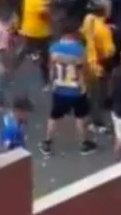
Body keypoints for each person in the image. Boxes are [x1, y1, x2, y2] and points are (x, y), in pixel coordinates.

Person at [40, 24, 97, 156]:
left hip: (59, 88)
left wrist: (51, 82)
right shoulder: (79, 49)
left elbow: (51, 68)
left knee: (54, 116)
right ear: (73, 34)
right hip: (76, 89)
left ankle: (47, 142)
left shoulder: (53, 48)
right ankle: (84, 144)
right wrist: (86, 85)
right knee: (80, 116)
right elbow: (84, 70)